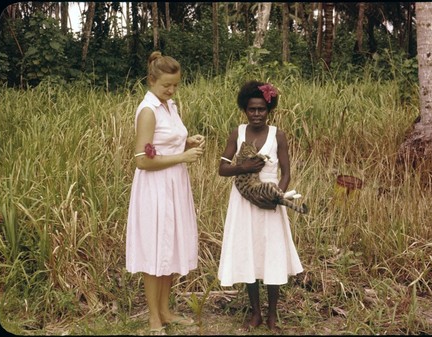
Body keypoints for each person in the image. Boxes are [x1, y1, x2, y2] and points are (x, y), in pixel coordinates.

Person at [126, 51, 205, 335]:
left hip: (174, 184)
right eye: (166, 86)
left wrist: (186, 142)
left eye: (175, 85)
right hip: (155, 188)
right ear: (151, 80)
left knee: (169, 247)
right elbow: (142, 160)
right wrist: (182, 158)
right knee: (154, 249)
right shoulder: (148, 110)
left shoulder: (168, 105)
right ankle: (153, 318)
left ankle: (166, 311)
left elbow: (165, 145)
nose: (171, 90)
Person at [217, 80, 303, 332]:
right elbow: (223, 169)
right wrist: (241, 168)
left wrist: (277, 194)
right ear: (245, 109)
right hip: (244, 201)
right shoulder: (238, 133)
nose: (256, 114)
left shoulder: (278, 135)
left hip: (269, 200)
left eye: (261, 110)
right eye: (251, 109)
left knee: (271, 254)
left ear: (269, 110)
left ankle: (272, 315)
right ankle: (255, 313)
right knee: (249, 253)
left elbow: (285, 171)